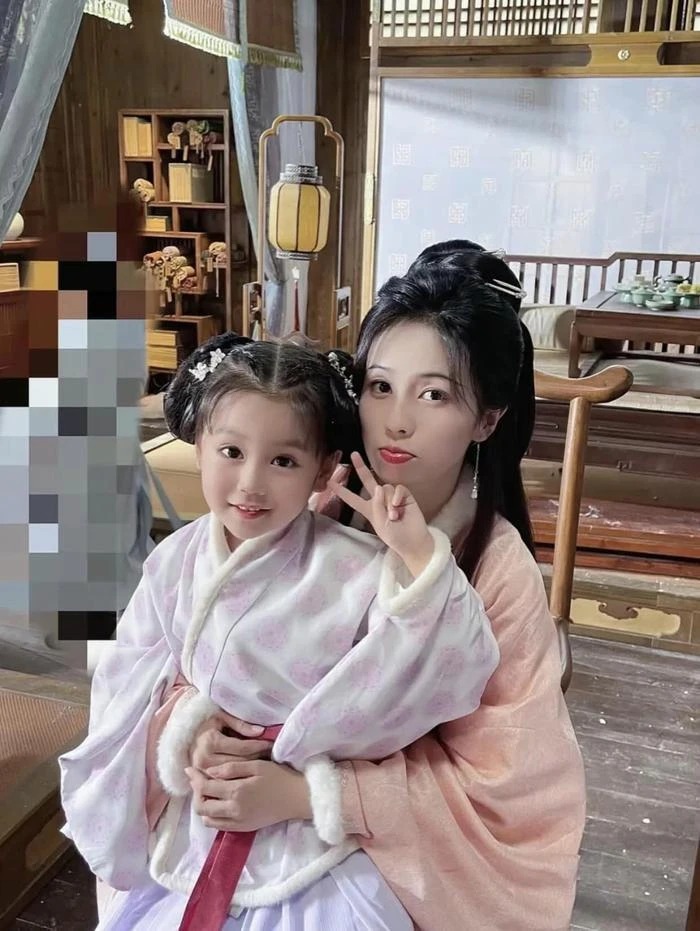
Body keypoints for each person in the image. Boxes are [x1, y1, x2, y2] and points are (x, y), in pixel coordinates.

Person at [132, 240, 587, 931]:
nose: (397, 419)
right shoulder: (305, 501)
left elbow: (507, 785)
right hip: (242, 816)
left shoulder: (497, 571)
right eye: (380, 386)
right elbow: (193, 654)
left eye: (434, 394)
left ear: (487, 419)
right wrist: (200, 730)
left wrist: (311, 795)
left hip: (382, 853)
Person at [59, 334, 501, 930]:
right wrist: (187, 729)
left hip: (303, 826)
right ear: (198, 447)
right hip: (199, 808)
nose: (251, 483)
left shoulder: (357, 567)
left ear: (323, 468)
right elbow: (128, 682)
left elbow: (448, 664)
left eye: (284, 461)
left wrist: (418, 555)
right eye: (231, 451)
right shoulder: (175, 562)